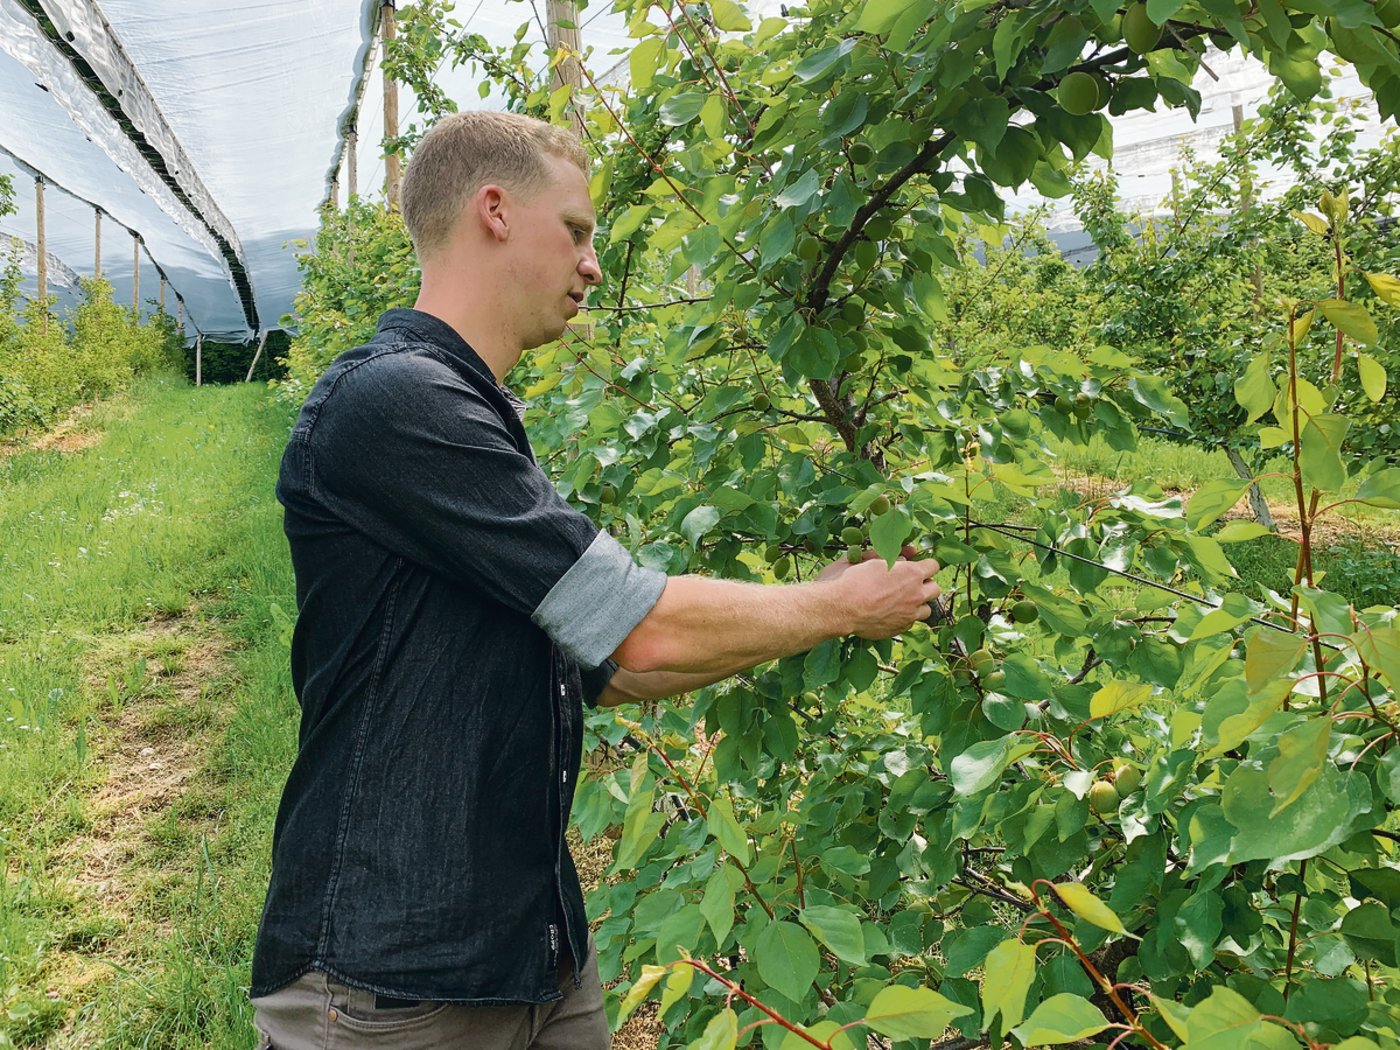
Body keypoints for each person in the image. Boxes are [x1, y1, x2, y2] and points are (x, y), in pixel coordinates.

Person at [249, 110, 941, 1050]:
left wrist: (814, 614)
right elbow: (638, 629)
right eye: (575, 230)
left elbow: (605, 669)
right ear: (495, 210)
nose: (593, 265)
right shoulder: (396, 400)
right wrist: (842, 606)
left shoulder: (473, 410)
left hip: (533, 949)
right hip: (394, 977)